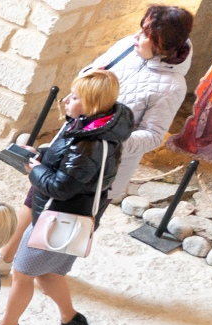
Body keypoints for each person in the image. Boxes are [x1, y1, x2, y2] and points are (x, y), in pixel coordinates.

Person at [0, 71, 132, 325]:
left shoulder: (89, 143)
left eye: (75, 97)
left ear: (91, 104)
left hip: (58, 218)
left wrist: (33, 171)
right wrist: (41, 156)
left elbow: (62, 187)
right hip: (55, 216)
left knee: (22, 273)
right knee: (47, 272)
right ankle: (70, 317)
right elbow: (67, 167)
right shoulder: (86, 127)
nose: (66, 101)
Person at [84, 6, 195, 200]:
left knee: (72, 225)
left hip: (104, 167)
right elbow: (88, 75)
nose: (136, 36)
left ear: (163, 44)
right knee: (35, 201)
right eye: (142, 28)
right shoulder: (126, 46)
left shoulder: (173, 86)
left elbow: (152, 135)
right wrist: (90, 74)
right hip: (72, 142)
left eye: (145, 34)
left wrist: (107, 142)